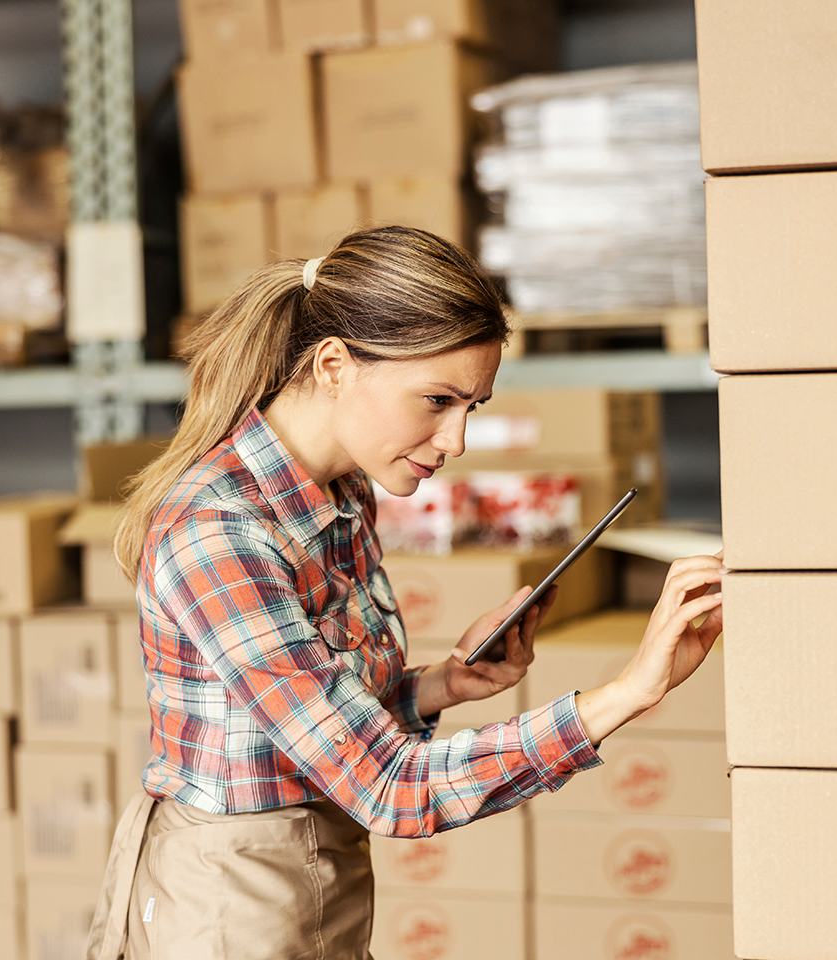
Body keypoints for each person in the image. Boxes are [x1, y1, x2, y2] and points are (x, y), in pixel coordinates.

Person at [86, 226, 724, 960]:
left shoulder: (345, 490)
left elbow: (303, 726)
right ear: (333, 365)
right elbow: (388, 786)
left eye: (472, 407)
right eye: (437, 400)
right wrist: (624, 694)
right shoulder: (219, 535)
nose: (454, 439)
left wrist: (437, 687)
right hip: (229, 906)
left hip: (313, 879)